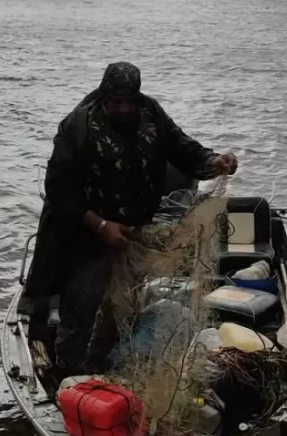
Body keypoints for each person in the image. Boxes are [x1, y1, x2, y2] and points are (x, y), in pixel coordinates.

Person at [20, 62, 238, 376]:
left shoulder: (151, 114)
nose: (118, 108)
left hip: (132, 232)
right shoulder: (78, 127)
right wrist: (100, 224)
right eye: (112, 101)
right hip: (87, 233)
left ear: (135, 98)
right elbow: (57, 188)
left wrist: (213, 161)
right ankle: (67, 374)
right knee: (81, 304)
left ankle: (104, 360)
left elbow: (183, 149)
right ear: (103, 96)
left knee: (123, 303)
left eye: (125, 102)